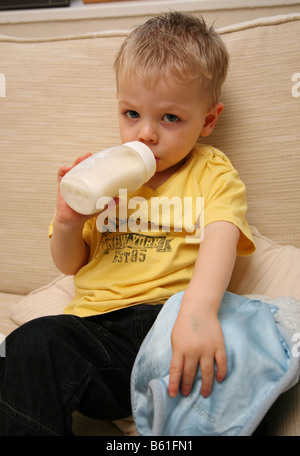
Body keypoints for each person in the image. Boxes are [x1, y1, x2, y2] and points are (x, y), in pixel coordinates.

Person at [0, 12, 255, 435]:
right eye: (131, 113)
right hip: (94, 332)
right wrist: (68, 220)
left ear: (208, 121)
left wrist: (200, 309)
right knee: (24, 349)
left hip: (166, 327)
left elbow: (221, 239)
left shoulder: (212, 173)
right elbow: (71, 265)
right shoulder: (105, 172)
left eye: (170, 118)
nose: (145, 134)